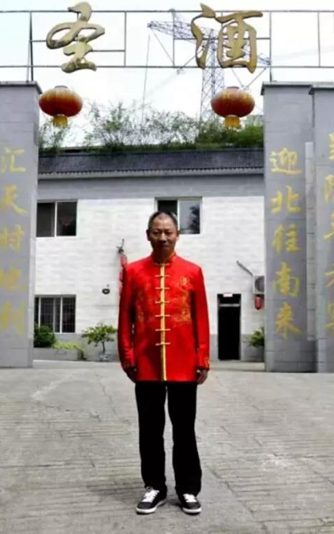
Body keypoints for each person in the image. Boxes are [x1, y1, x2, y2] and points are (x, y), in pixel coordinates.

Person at [118, 210, 210, 516]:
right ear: (148, 235)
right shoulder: (133, 272)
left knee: (184, 430)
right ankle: (154, 486)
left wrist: (202, 357)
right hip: (146, 364)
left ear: (177, 235)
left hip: (184, 364)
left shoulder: (192, 271)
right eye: (157, 232)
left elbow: (201, 317)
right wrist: (127, 356)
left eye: (168, 232)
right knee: (149, 429)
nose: (163, 237)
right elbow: (125, 318)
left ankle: (188, 488)